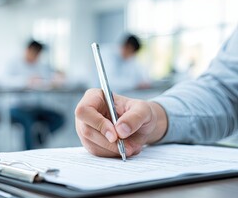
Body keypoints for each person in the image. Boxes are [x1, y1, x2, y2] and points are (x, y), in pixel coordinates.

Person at [75, 28, 238, 158]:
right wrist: (151, 118)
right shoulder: (109, 54)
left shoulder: (130, 60)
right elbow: (224, 91)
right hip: (112, 108)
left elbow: (139, 76)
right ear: (128, 47)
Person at [6, 40, 65, 150]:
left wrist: (54, 80)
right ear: (28, 50)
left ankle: (40, 138)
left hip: (35, 107)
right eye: (35, 53)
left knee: (59, 118)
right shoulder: (13, 63)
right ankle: (28, 152)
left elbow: (47, 78)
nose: (36, 57)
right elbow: (4, 81)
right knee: (28, 121)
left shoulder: (40, 65)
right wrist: (25, 81)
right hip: (16, 107)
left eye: (38, 54)